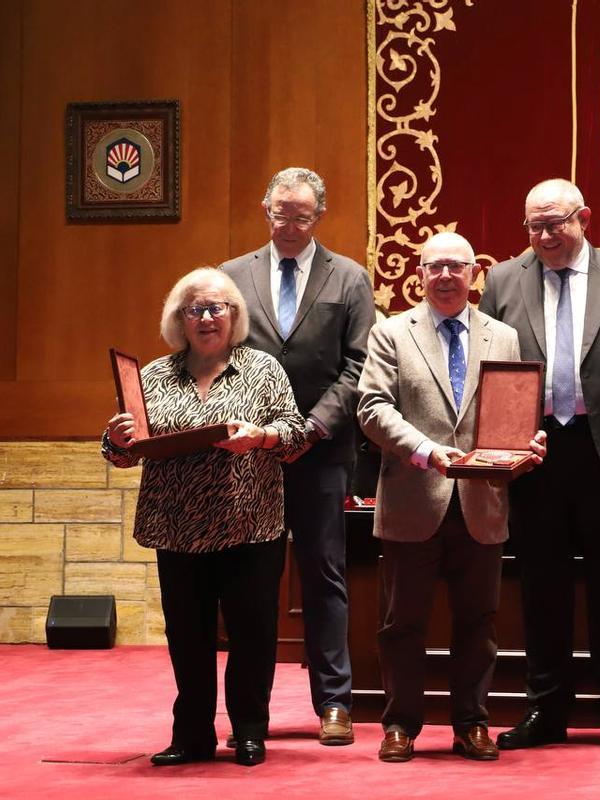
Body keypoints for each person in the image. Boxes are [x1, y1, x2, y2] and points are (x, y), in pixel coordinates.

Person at [478, 178, 600, 755]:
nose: (542, 236)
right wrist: (493, 449)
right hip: (533, 453)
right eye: (533, 226)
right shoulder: (505, 279)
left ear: (583, 217)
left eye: (553, 224)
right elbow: (491, 372)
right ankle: (547, 707)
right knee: (542, 587)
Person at [102, 268, 306, 767]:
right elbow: (125, 455)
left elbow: (296, 435)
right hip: (178, 528)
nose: (207, 318)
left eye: (217, 308)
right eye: (195, 309)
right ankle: (192, 735)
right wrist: (117, 439)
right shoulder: (151, 376)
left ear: (234, 316)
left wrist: (260, 436)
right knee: (187, 638)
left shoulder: (263, 370)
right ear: (180, 319)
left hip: (250, 525)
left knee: (253, 635)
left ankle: (249, 731)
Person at [357, 231, 547, 763]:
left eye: (455, 267)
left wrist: (526, 442)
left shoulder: (503, 337)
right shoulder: (391, 333)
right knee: (401, 624)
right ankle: (399, 726)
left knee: (478, 624)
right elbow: (372, 408)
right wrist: (425, 450)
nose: (445, 276)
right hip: (413, 499)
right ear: (419, 274)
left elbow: (510, 415)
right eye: (434, 266)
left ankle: (472, 724)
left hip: (482, 504)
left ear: (473, 274)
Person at [222, 167, 375, 745]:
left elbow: (360, 366)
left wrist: (311, 428)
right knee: (251, 581)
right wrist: (257, 430)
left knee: (324, 576)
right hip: (249, 452)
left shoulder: (351, 279)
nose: (289, 224)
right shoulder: (231, 275)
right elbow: (219, 357)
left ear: (319, 216)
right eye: (280, 213)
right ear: (265, 208)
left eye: (301, 215)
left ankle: (334, 703)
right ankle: (250, 714)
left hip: (323, 451)